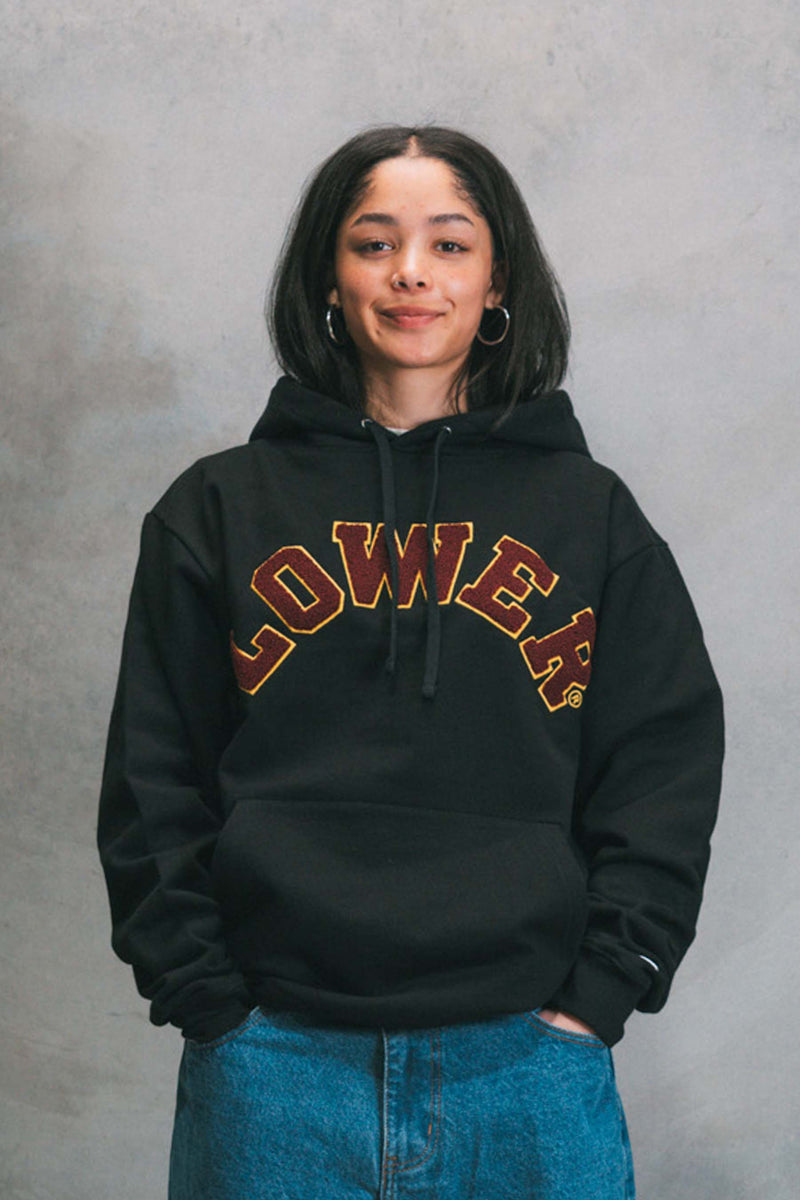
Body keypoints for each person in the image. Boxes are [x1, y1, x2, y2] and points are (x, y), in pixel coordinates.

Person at [97, 125, 724, 1200]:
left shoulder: (589, 515)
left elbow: (663, 764)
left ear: (496, 282)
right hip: (274, 1071)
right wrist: (206, 999)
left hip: (526, 1073)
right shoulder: (217, 507)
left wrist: (602, 992)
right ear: (328, 280)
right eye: (374, 243)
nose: (411, 273)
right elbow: (152, 776)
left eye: (449, 244)